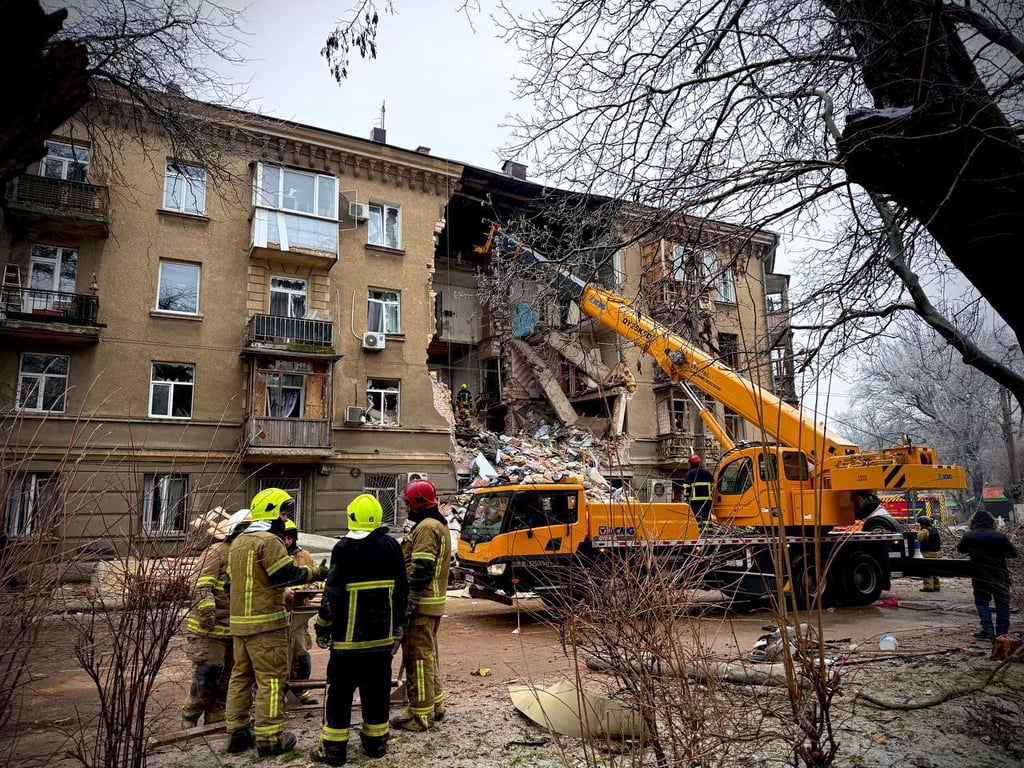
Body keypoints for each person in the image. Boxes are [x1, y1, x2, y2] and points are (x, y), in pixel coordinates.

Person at [223, 488, 326, 757]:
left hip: (240, 625)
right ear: (271, 512)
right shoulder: (269, 541)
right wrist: (318, 572)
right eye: (283, 511)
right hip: (266, 626)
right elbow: (285, 574)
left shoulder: (238, 543)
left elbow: (227, 585)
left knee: (240, 677)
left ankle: (237, 733)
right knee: (270, 680)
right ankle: (270, 739)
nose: (284, 517)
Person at [309, 494, 408, 766]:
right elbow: (402, 592)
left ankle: (334, 750)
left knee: (339, 694)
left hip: (347, 643)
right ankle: (375, 744)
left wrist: (323, 627)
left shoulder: (344, 549)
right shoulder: (391, 547)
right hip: (381, 641)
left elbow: (332, 595)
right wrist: (398, 625)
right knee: (377, 692)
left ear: (351, 517)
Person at [391, 479, 451, 732]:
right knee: (428, 656)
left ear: (418, 503)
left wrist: (408, 602)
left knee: (417, 658)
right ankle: (435, 705)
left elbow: (421, 569)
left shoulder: (426, 528)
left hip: (422, 603)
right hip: (432, 603)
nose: (405, 506)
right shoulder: (436, 524)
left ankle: (419, 715)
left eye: (407, 502)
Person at [180, 507, 247, 730]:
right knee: (207, 675)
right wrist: (208, 612)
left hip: (235, 630)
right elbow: (200, 586)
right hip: (209, 631)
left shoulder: (248, 554)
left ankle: (215, 720)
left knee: (229, 680)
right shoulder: (217, 552)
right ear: (237, 530)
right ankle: (190, 718)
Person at [956, 509, 1018, 640]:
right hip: (999, 574)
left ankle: (987, 630)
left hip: (980, 575)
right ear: (991, 521)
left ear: (973, 521)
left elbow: (961, 550)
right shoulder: (999, 536)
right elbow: (1013, 553)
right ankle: (1002, 633)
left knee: (982, 602)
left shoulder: (969, 536)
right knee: (1002, 603)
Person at [281, 518, 321, 706]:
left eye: (290, 538)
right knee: (276, 656)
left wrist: (313, 587)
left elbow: (319, 577)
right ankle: (277, 693)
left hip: (299, 615)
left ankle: (301, 691)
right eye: (283, 538)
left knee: (301, 653)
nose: (287, 542)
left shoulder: (305, 556)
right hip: (277, 615)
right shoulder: (272, 555)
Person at [681, 454, 715, 526]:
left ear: (691, 463)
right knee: (706, 516)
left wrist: (686, 498)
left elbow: (686, 487)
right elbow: (713, 484)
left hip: (695, 500)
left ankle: (699, 532)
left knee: (697, 517)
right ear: (699, 463)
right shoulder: (707, 473)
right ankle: (708, 531)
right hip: (707, 500)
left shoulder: (690, 474)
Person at [916, 515, 942, 592]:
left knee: (927, 570)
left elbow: (919, 538)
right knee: (934, 570)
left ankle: (928, 586)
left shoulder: (925, 531)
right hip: (936, 553)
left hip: (927, 553)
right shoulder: (935, 530)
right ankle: (937, 585)